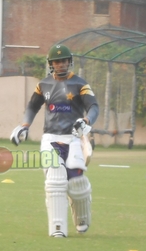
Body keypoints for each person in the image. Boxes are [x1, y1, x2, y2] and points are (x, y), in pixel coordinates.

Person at [10, 44, 99, 237]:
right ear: (51, 64)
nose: (61, 64)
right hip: (50, 137)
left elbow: (93, 107)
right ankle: (57, 229)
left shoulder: (80, 84)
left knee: (76, 181)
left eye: (64, 60)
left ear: (69, 61)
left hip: (73, 137)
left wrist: (86, 120)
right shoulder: (43, 85)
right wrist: (25, 126)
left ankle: (82, 217)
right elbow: (32, 107)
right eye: (57, 61)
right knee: (55, 180)